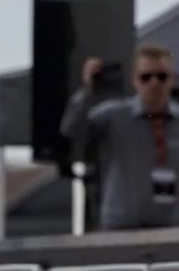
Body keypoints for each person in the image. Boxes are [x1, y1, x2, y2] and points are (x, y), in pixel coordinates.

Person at [61, 44, 179, 230]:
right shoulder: (114, 115)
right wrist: (86, 90)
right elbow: (72, 130)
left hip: (172, 229)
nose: (154, 84)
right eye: (146, 77)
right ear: (135, 81)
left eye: (161, 77)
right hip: (122, 227)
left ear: (172, 80)